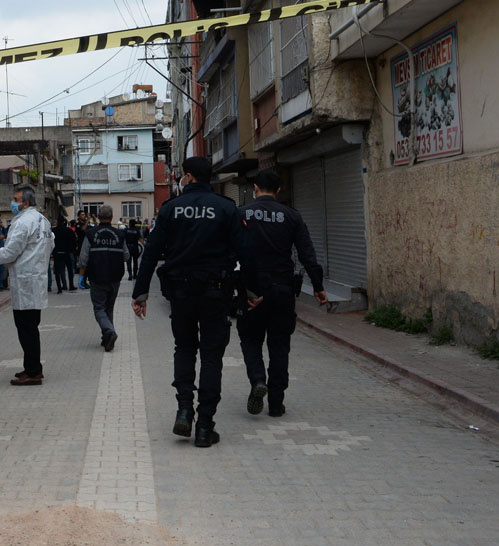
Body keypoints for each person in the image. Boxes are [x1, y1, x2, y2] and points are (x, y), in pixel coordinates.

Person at [131, 156, 249, 448]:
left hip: (181, 294)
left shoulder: (170, 210)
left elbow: (150, 252)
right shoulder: (226, 208)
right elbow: (246, 252)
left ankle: (184, 409)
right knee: (211, 356)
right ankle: (205, 426)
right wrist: (253, 291)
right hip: (216, 293)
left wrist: (140, 293)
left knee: (184, 349)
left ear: (187, 176)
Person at [237, 169, 327, 419]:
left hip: (252, 291)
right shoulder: (292, 216)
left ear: (255, 188)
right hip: (283, 290)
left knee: (250, 340)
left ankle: (257, 380)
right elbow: (307, 254)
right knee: (279, 345)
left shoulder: (241, 214)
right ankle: (276, 402)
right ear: (278, 191)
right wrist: (318, 287)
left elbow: (230, 253)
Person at [0, 186, 55, 385]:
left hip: (26, 281)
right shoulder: (43, 220)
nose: (13, 202)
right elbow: (51, 244)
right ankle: (31, 367)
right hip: (35, 279)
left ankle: (33, 372)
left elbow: (11, 251)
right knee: (30, 328)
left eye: (15, 199)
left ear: (25, 202)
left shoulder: (24, 222)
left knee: (27, 330)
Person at [77, 205, 129, 351]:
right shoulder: (120, 234)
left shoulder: (90, 233)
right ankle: (106, 338)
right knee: (109, 307)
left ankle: (110, 332)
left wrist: (81, 276)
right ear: (112, 218)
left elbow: (83, 258)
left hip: (97, 276)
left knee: (99, 308)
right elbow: (126, 256)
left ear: (99, 217)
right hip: (115, 277)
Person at [53, 217, 78, 293]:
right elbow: (74, 241)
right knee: (69, 269)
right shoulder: (69, 231)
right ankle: (71, 285)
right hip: (67, 252)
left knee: (58, 271)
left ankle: (60, 288)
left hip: (57, 252)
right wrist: (72, 250)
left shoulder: (53, 230)